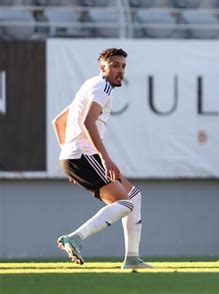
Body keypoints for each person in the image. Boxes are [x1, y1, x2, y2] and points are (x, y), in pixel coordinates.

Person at [51, 48, 152, 269]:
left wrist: (69, 155)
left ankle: (132, 259)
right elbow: (88, 122)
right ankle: (75, 238)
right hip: (84, 156)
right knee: (124, 203)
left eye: (123, 66)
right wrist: (104, 158)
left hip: (76, 157)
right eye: (114, 65)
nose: (120, 71)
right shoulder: (103, 87)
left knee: (134, 197)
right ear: (102, 67)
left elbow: (57, 122)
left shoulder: (90, 85)